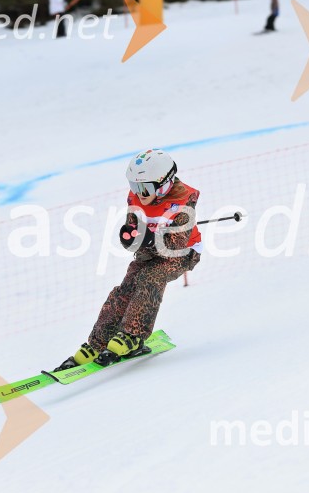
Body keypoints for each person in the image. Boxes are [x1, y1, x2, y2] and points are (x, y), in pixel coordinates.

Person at [55, 149, 202, 370]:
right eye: (135, 186)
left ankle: (133, 336)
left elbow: (176, 245)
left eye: (144, 187)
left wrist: (150, 238)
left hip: (183, 253)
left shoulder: (183, 201)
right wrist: (131, 238)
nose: (139, 193)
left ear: (164, 184)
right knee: (125, 288)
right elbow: (132, 227)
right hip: (151, 251)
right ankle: (97, 343)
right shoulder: (135, 198)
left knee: (149, 278)